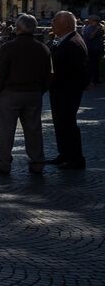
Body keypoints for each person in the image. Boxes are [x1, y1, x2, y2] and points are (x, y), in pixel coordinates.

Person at [0, 15, 53, 175]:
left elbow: (0, 72)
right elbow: (49, 74)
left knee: (6, 130)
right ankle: (37, 162)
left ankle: (4, 163)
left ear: (18, 28)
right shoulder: (43, 48)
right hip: (33, 93)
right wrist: (40, 90)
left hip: (10, 93)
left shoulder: (9, 47)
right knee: (34, 129)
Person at [48, 11, 89, 170]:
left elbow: (78, 70)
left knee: (68, 123)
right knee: (61, 123)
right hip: (61, 90)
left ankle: (75, 158)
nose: (52, 25)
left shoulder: (73, 42)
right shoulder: (65, 40)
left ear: (65, 24)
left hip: (67, 90)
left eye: (54, 22)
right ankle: (64, 154)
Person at [83, 16, 104, 88]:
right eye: (96, 21)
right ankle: (90, 80)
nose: (98, 22)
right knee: (91, 65)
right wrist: (97, 30)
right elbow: (90, 37)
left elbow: (101, 36)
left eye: (98, 21)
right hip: (91, 49)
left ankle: (96, 79)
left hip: (97, 49)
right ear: (92, 21)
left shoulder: (97, 27)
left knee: (96, 64)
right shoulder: (88, 28)